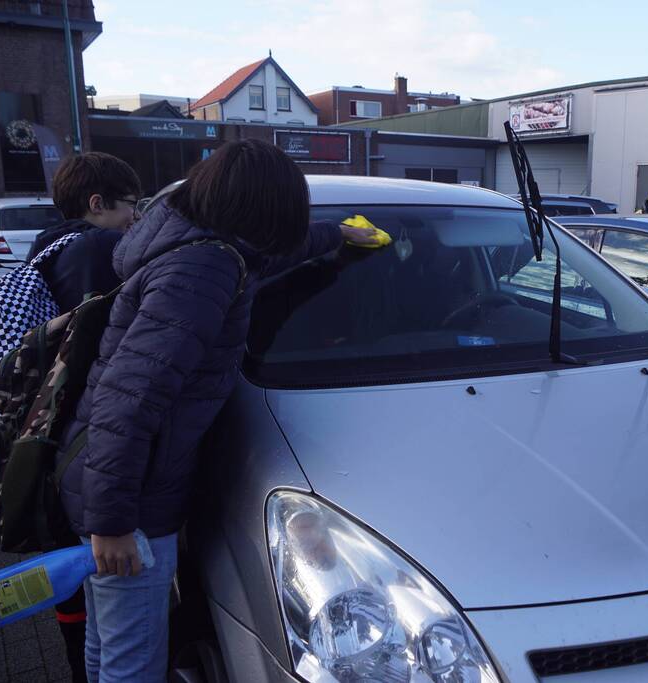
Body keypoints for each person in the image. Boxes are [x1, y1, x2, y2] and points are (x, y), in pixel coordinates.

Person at [53, 139, 383, 681]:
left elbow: (273, 253)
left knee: (108, 643)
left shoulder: (196, 243)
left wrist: (337, 238)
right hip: (129, 505)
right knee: (133, 661)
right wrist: (112, 524)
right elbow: (127, 401)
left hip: (105, 484)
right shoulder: (202, 273)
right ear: (262, 211)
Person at [23, 151, 142, 683]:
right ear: (98, 203)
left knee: (72, 592)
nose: (135, 221)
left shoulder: (46, 246)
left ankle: (79, 666)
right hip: (80, 436)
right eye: (131, 208)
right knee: (98, 589)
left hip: (41, 427)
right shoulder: (99, 248)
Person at [27, 151, 142, 312]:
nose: (138, 215)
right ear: (97, 205)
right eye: (132, 204)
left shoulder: (46, 246)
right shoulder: (103, 244)